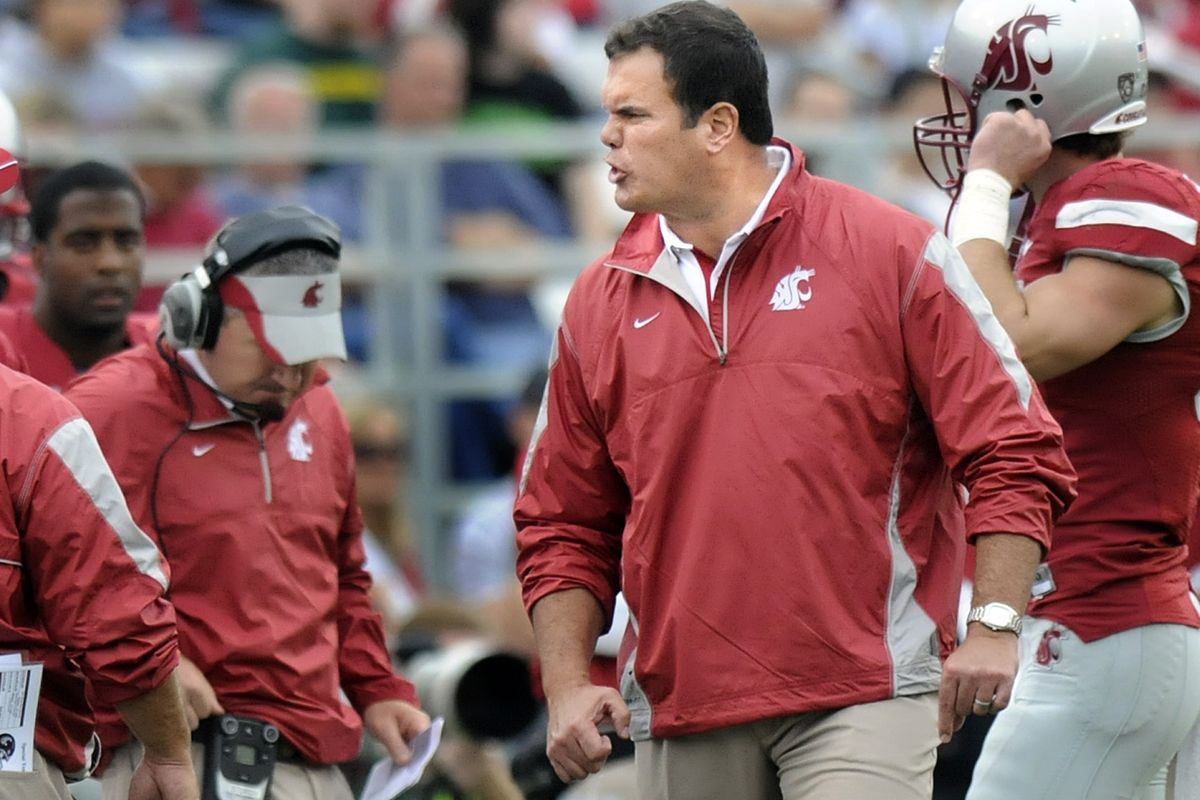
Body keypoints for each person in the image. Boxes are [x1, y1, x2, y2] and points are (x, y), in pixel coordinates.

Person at [514, 3, 1077, 799]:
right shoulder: (595, 303)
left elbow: (1014, 446)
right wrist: (568, 683)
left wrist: (993, 623)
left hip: (866, 687)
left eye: (632, 115)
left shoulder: (892, 250)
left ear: (717, 126)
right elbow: (562, 517)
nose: (606, 136)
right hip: (685, 704)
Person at [912, 1, 1200, 798]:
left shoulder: (1131, 193)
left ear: (1021, 101)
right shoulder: (1059, 216)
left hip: (1107, 624)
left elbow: (1015, 345)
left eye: (975, 98)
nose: (963, 120)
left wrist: (986, 182)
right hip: (1090, 625)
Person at [64, 206, 431, 800]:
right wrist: (150, 669)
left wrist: (379, 689)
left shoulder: (323, 409)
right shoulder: (108, 410)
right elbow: (56, 581)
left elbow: (343, 575)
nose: (291, 372)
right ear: (199, 317)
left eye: (308, 349)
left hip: (312, 763)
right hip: (168, 755)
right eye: (272, 346)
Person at [0, 160, 157, 390]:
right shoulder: (5, 351)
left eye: (126, 241)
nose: (110, 263)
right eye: (83, 243)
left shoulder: (169, 353)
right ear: (39, 257)